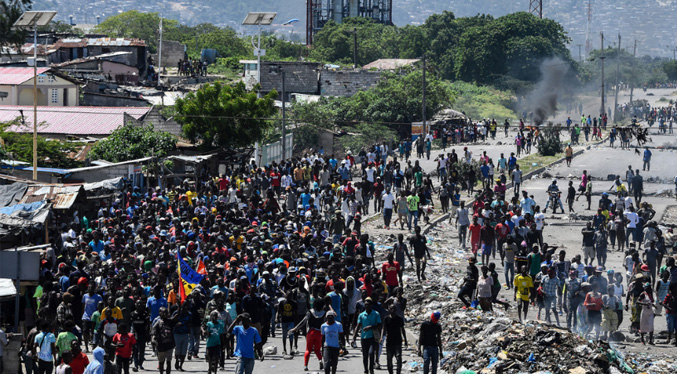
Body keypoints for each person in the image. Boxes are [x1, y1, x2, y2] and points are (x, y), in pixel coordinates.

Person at [291, 300, 325, 371]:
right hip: (319, 333)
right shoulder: (324, 313)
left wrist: (296, 328)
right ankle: (320, 360)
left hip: (311, 332)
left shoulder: (310, 312)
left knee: (308, 349)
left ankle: (305, 365)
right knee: (317, 350)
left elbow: (304, 321)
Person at [353, 297, 382, 374]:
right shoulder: (361, 315)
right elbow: (358, 326)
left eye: (368, 305)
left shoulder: (376, 314)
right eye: (365, 305)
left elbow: (379, 325)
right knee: (365, 356)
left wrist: (371, 327)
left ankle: (371, 369)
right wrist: (354, 338)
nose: (367, 306)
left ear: (371, 305)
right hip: (364, 338)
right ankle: (366, 369)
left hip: (373, 337)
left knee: (371, 353)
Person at [382, 304, 407, 374]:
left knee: (399, 358)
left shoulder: (399, 319)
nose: (393, 310)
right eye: (391, 309)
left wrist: (405, 340)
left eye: (394, 309)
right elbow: (383, 328)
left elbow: (402, 329)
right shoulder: (386, 319)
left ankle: (398, 372)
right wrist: (381, 337)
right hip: (389, 342)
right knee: (389, 360)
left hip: (398, 341)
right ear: (389, 310)